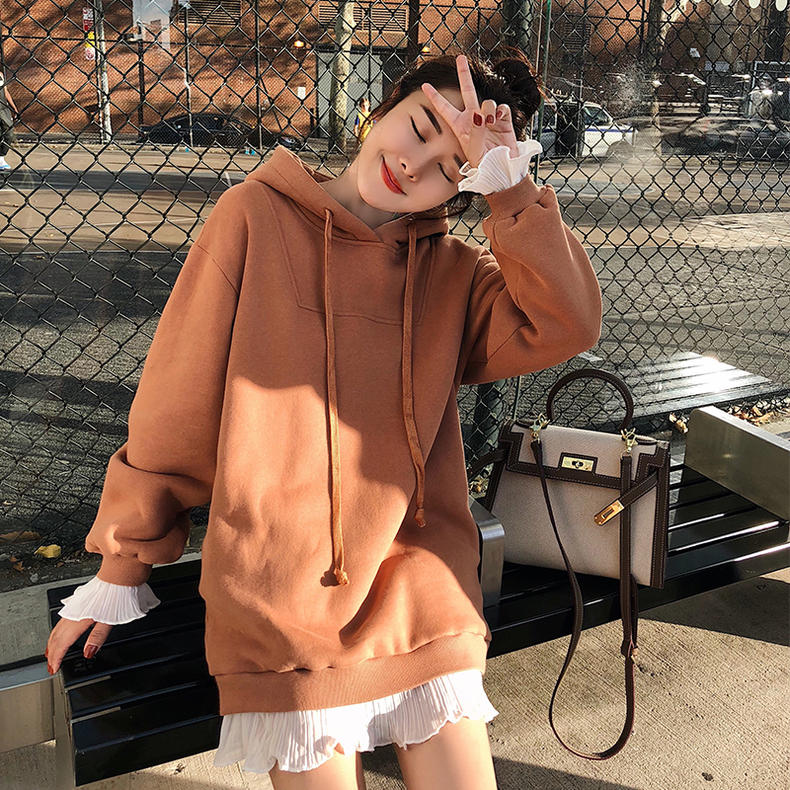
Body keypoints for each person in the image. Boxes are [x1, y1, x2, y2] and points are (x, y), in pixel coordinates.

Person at [45, 48, 603, 789]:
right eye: (419, 128)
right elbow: (178, 403)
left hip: (420, 588)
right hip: (283, 594)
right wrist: (123, 563)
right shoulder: (253, 216)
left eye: (451, 165)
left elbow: (569, 322)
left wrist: (514, 192)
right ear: (382, 109)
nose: (414, 164)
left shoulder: (455, 274)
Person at [0, 69, 18, 171]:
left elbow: (5, 91)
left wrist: (14, 108)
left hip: (3, 109)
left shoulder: (1, 75)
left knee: (9, 133)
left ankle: (1, 157)